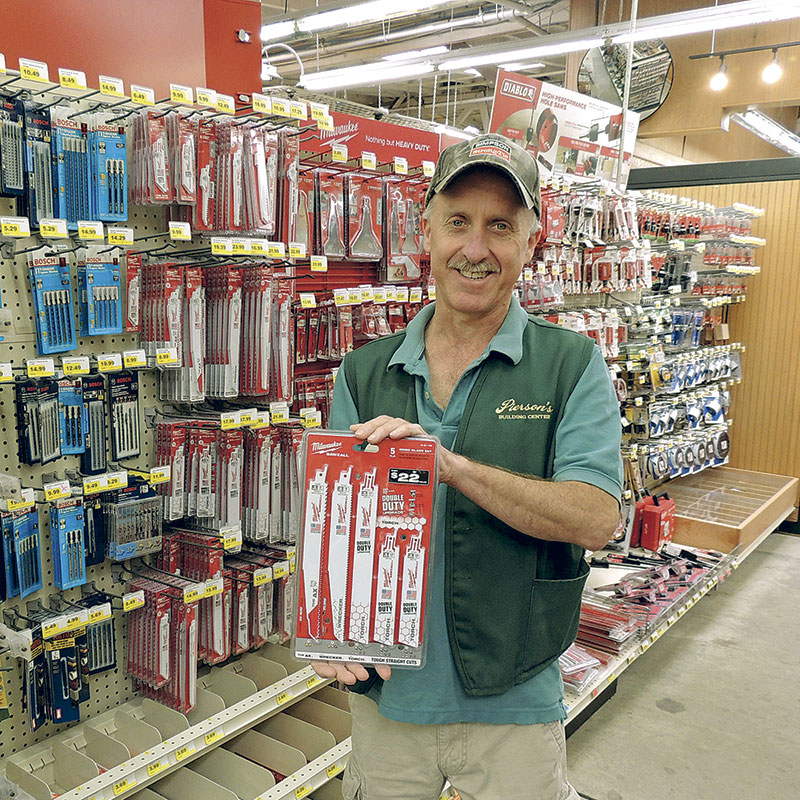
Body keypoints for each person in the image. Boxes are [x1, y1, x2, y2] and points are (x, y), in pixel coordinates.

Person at [313, 133, 623, 800]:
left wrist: (453, 467)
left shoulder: (571, 365)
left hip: (515, 701)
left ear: (531, 242)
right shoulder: (365, 372)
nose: (475, 249)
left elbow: (597, 517)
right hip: (389, 702)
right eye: (458, 222)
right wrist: (321, 616)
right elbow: (336, 526)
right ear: (425, 229)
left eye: (500, 227)